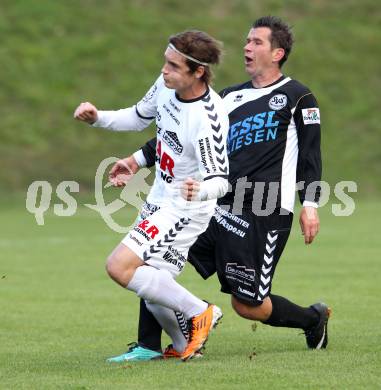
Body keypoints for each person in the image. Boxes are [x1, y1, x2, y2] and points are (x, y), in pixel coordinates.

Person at [109, 16, 331, 361]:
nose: (247, 46)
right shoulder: (227, 97)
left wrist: (311, 204)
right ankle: (150, 345)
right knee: (151, 258)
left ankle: (312, 318)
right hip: (214, 203)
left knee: (247, 305)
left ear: (277, 53)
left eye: (257, 42)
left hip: (263, 210)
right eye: (247, 40)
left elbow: (311, 154)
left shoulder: (298, 97)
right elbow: (177, 135)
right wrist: (138, 159)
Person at [73, 30, 230, 361]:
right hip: (159, 200)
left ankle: (202, 311)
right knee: (154, 286)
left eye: (173, 65)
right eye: (165, 62)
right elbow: (138, 117)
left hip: (185, 209)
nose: (164, 70)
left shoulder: (209, 117)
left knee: (120, 267)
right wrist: (98, 118)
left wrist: (199, 187)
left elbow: (220, 180)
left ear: (198, 72)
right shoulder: (166, 87)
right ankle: (184, 346)